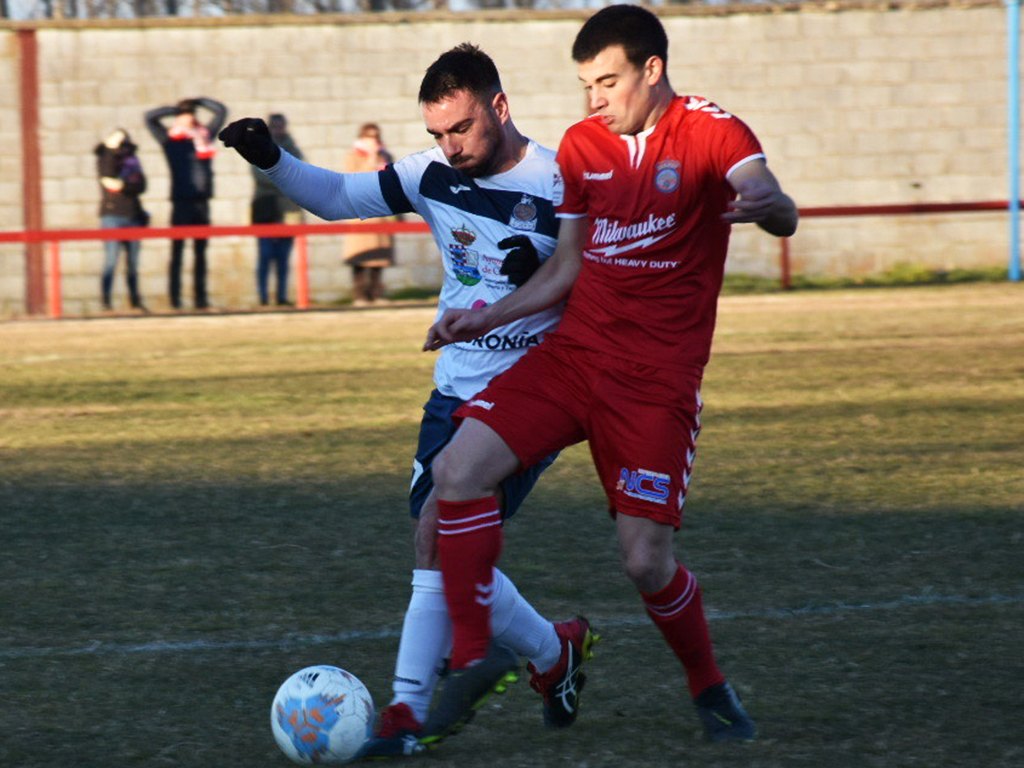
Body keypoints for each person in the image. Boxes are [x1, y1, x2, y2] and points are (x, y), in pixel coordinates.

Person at [421, 5, 799, 745]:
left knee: (644, 560)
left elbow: (767, 194)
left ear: (652, 70)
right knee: (456, 470)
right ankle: (472, 656)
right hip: (573, 358)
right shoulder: (582, 145)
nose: (595, 99)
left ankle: (709, 687)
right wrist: (483, 318)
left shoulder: (712, 132)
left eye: (608, 82)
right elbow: (565, 267)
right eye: (586, 83)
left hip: (654, 383)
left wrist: (772, 204)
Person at [219, 43, 598, 758]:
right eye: (436, 134)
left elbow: (597, 282)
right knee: (451, 552)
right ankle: (554, 654)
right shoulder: (430, 175)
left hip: (529, 396)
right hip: (450, 389)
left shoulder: (562, 182)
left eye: (461, 129)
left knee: (434, 533)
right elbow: (335, 199)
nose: (448, 148)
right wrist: (268, 157)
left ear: (500, 107)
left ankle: (402, 717)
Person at [145, 97, 228, 310]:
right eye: (187, 115)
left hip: (202, 202)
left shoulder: (204, 136)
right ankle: (175, 300)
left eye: (192, 115)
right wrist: (176, 111)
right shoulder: (170, 141)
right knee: (178, 252)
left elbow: (221, 111)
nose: (190, 118)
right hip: (181, 202)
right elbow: (149, 118)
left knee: (201, 253)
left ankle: (200, 300)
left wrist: (198, 102)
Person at [252, 113, 304, 307]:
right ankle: (263, 297)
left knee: (283, 257)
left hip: (288, 209)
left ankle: (281, 296)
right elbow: (261, 176)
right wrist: (285, 178)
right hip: (265, 208)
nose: (278, 130)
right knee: (265, 256)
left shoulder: (292, 149)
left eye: (280, 126)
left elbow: (301, 173)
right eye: (274, 126)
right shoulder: (258, 148)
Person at [94, 128, 149, 312]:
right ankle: (105, 302)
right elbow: (107, 176)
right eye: (117, 142)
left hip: (133, 215)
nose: (121, 146)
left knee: (133, 263)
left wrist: (123, 185)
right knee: (111, 260)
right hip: (112, 216)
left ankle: (135, 301)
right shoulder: (105, 157)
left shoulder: (132, 161)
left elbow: (141, 185)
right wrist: (110, 149)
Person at [343, 122, 396, 307]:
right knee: (360, 258)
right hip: (361, 215)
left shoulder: (386, 156)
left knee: (379, 258)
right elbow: (356, 179)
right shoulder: (352, 156)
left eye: (376, 136)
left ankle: (377, 293)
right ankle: (360, 296)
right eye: (369, 136)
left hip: (381, 214)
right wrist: (371, 157)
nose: (373, 140)